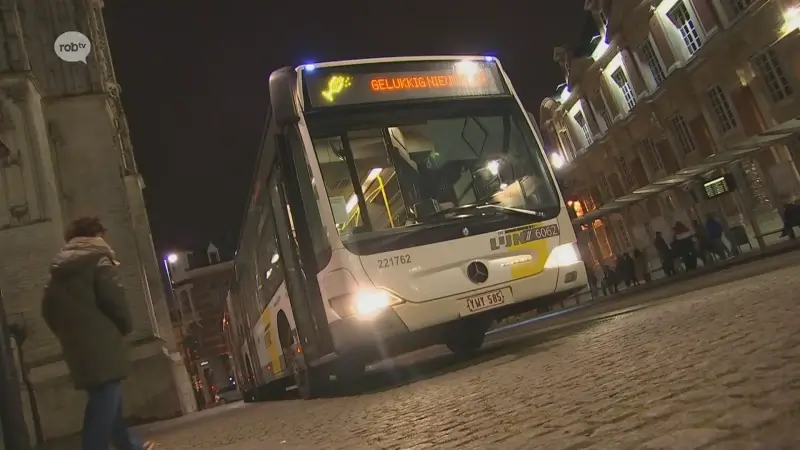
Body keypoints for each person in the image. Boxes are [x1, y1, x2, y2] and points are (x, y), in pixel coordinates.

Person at [41, 217, 155, 450]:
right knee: (104, 399)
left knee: (108, 395)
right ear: (95, 235)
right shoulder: (99, 259)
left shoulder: (58, 270)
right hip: (102, 341)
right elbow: (113, 298)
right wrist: (124, 324)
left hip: (77, 345)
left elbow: (47, 308)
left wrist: (66, 333)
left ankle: (127, 444)